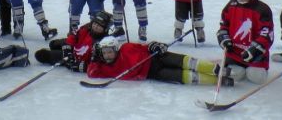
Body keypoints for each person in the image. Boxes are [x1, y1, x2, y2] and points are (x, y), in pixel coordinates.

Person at [87, 37, 234, 86]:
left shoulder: (127, 47)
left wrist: (154, 45)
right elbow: (92, 74)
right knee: (184, 77)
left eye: (109, 51)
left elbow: (146, 46)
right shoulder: (104, 68)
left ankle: (218, 70)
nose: (107, 55)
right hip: (153, 73)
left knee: (186, 62)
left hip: (156, 57)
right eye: (104, 53)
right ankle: (218, 81)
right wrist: (94, 59)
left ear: (116, 49)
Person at [216, 0, 274, 84]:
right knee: (235, 75)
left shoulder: (263, 10)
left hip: (255, 54)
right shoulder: (231, 5)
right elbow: (223, 26)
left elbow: (266, 35)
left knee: (256, 77)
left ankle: (254, 67)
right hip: (235, 52)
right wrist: (223, 38)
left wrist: (254, 50)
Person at [35, 11, 112, 72]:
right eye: (95, 23)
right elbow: (74, 35)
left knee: (41, 55)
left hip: (76, 58)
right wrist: (67, 48)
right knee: (53, 44)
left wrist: (80, 66)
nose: (95, 27)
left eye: (99, 26)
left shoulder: (104, 43)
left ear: (105, 29)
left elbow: (99, 64)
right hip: (75, 48)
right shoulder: (87, 28)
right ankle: (65, 50)